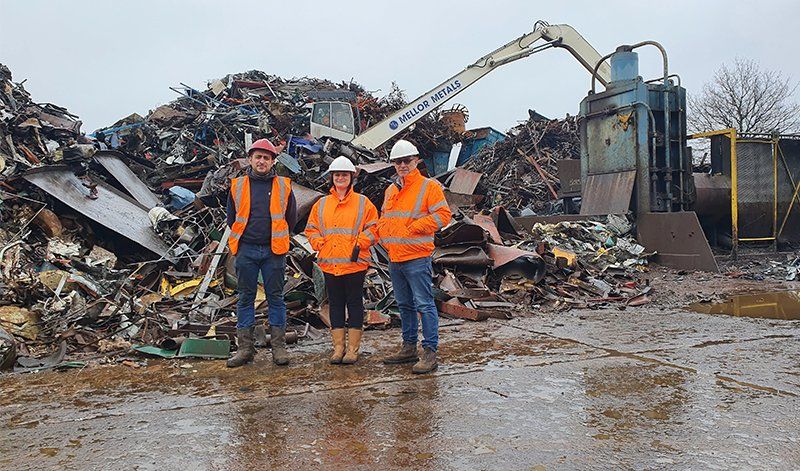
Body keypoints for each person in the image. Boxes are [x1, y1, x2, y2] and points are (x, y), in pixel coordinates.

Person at [377, 139, 452, 374]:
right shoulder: (391, 189)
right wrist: (384, 238)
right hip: (395, 257)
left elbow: (443, 216)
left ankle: (430, 352)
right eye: (398, 162)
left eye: (406, 160)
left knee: (424, 304)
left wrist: (415, 227)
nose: (402, 165)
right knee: (404, 305)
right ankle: (409, 347)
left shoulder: (429, 187)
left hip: (417, 257)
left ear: (416, 160)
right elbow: (385, 218)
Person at [226, 138, 297, 368]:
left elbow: (291, 219)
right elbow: (231, 218)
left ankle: (279, 348)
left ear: (273, 161)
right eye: (258, 157)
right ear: (250, 159)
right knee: (245, 298)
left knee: (276, 298)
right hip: (246, 250)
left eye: (266, 157)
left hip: (273, 251)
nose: (262, 161)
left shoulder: (284, 186)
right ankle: (245, 349)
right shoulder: (237, 186)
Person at [305, 156, 378, 364]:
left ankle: (353, 350)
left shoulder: (363, 203)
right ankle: (338, 348)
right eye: (337, 175)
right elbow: (311, 229)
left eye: (344, 175)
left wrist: (363, 240)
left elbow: (374, 228)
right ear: (331, 178)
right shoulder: (321, 204)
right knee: (335, 304)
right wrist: (318, 242)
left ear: (351, 177)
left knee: (354, 303)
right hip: (330, 263)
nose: (340, 178)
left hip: (355, 263)